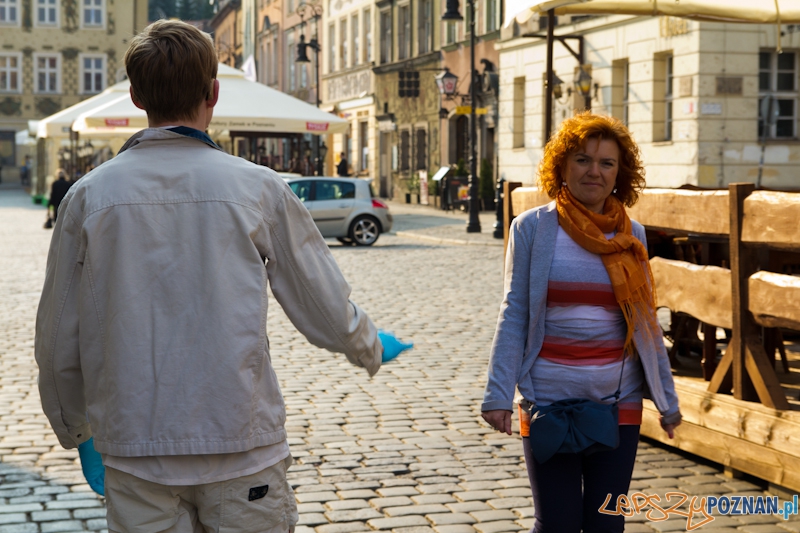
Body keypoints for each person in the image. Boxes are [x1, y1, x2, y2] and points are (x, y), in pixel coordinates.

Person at [35, 20, 411, 533]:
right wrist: (369, 344)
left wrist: (75, 429)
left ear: (135, 96)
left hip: (136, 448)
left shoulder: (88, 197)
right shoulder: (257, 188)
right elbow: (321, 303)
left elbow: (58, 336)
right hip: (241, 444)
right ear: (214, 92)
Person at [481, 112, 681, 533]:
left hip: (618, 402)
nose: (595, 171)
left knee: (607, 525)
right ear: (562, 167)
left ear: (619, 173)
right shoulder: (532, 229)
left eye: (607, 163)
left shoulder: (633, 235)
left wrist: (667, 401)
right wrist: (497, 393)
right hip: (546, 400)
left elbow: (645, 323)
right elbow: (514, 311)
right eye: (583, 160)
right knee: (557, 523)